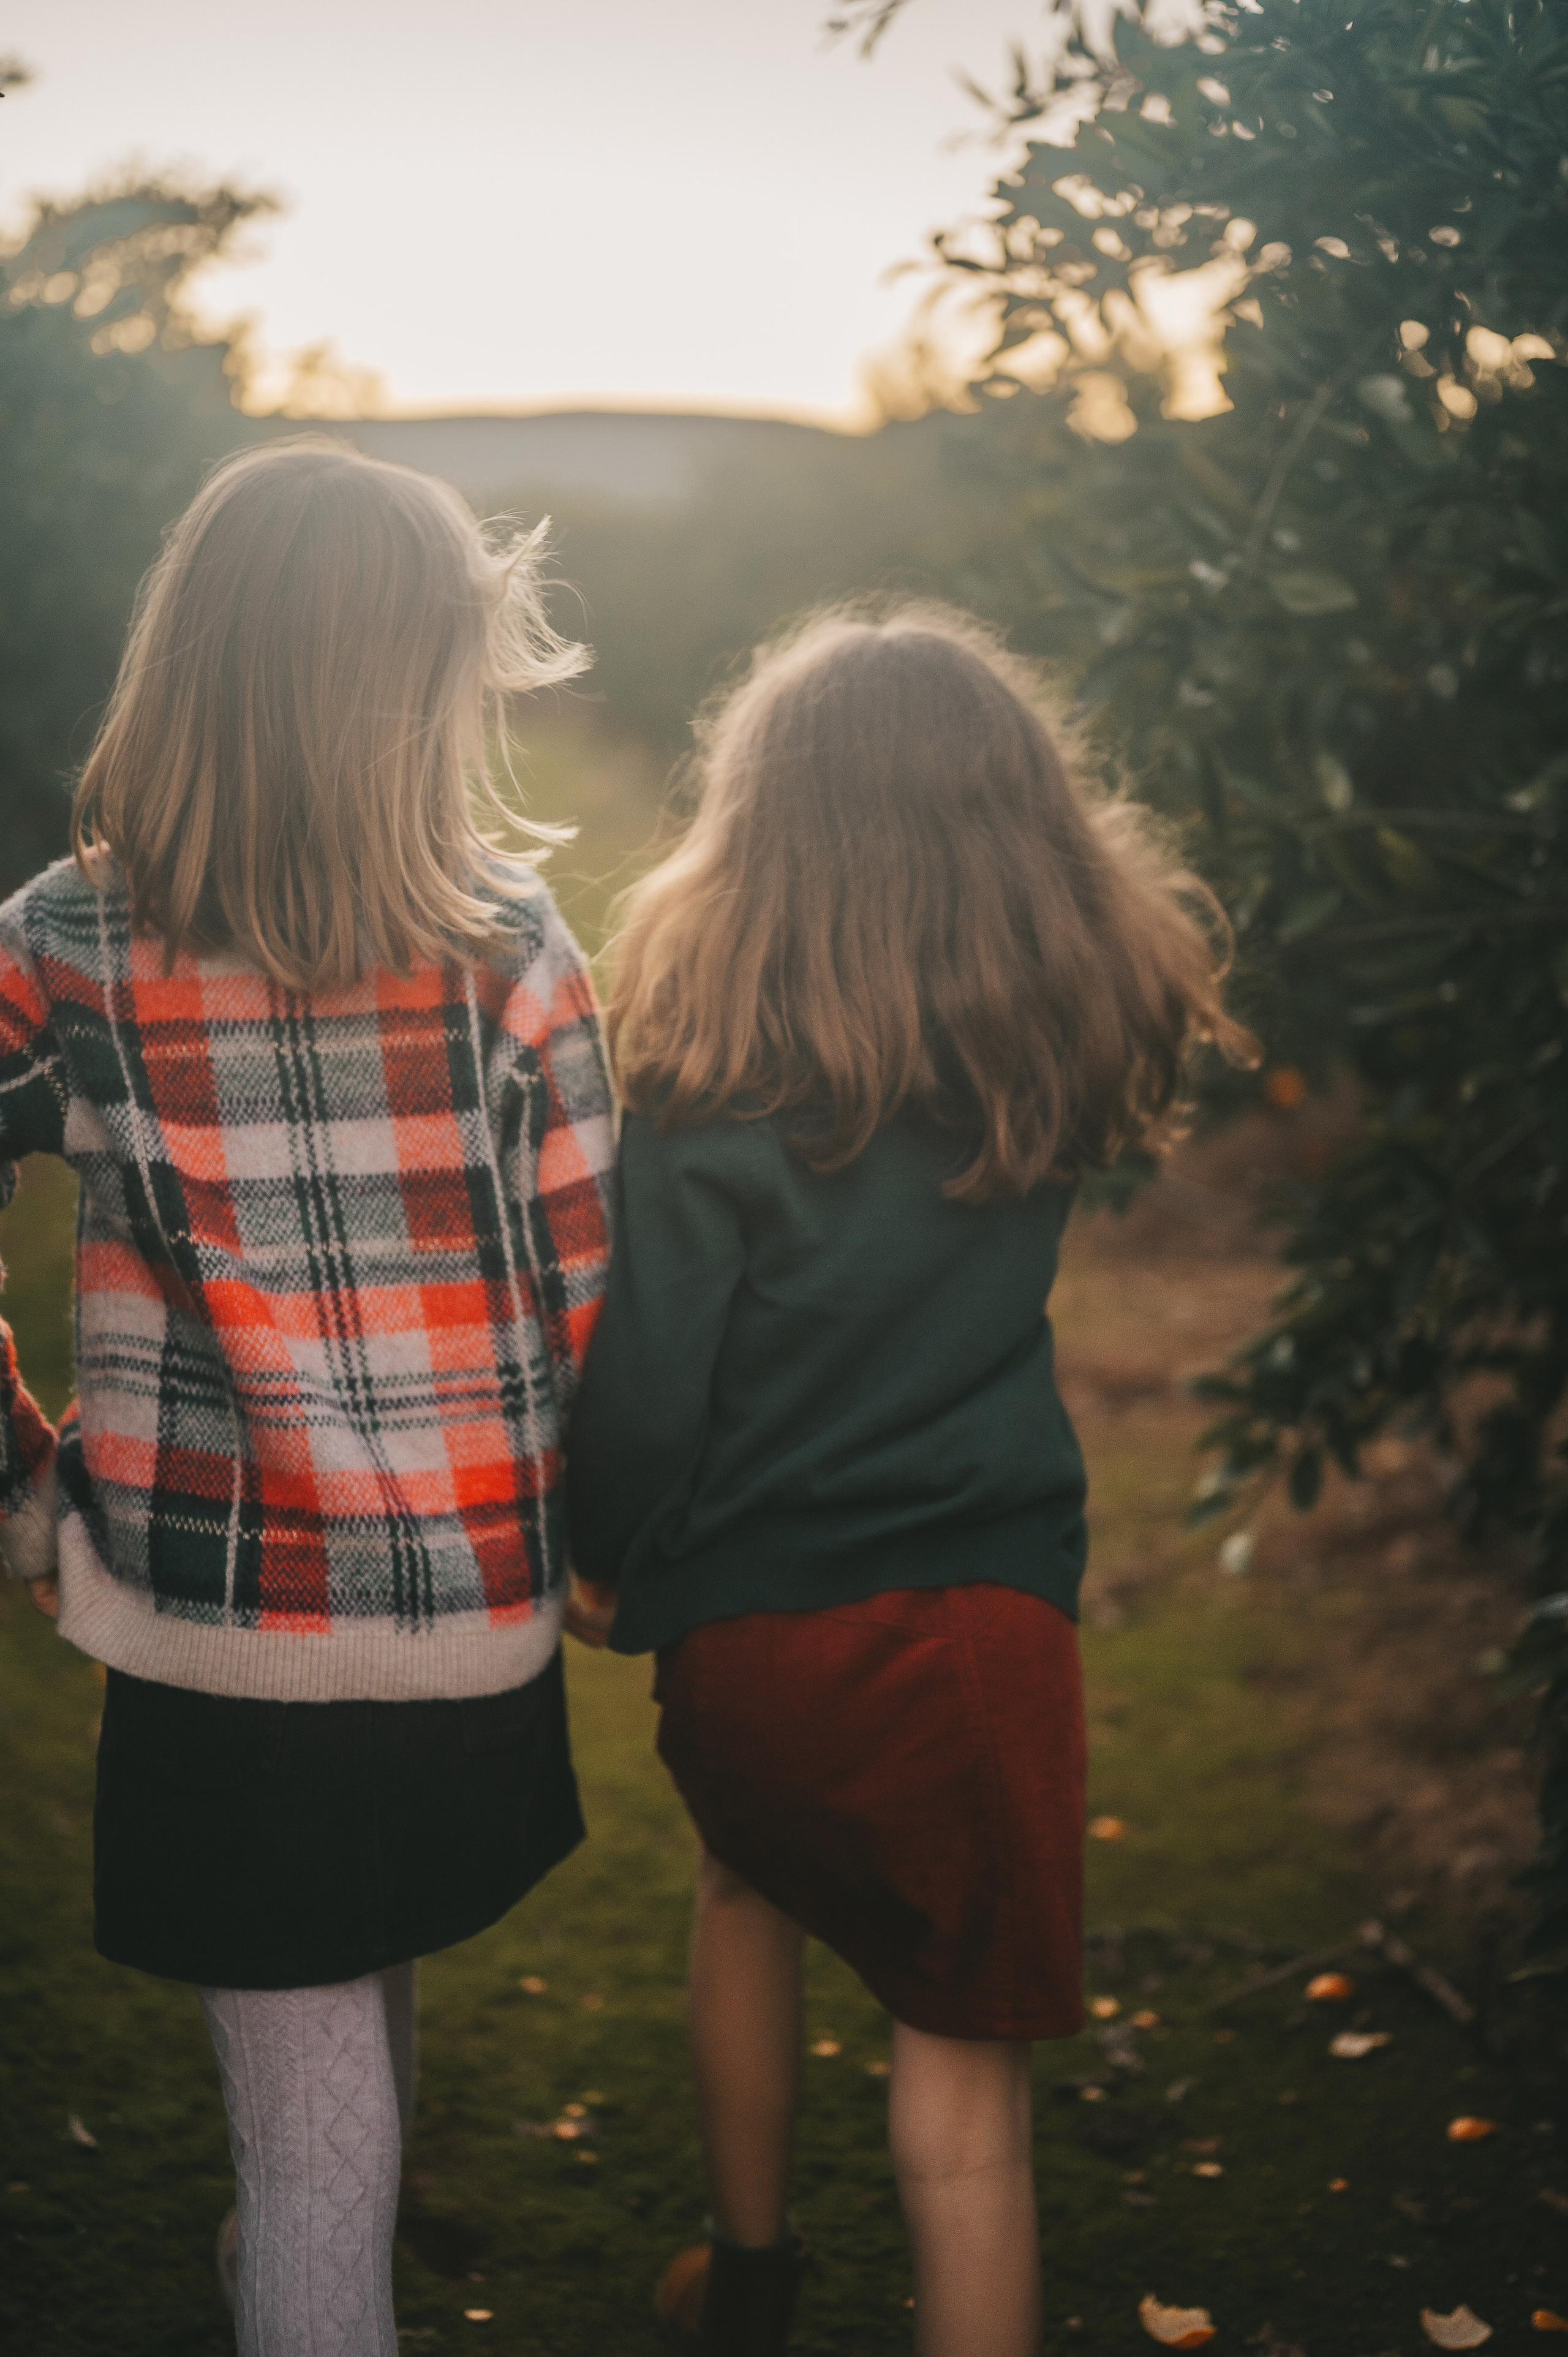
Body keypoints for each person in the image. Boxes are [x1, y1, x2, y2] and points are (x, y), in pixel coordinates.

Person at [564, 602, 1255, 2357]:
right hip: (977, 1636)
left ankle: (751, 2275)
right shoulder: (1031, 1053)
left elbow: (649, 1383)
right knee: (964, 2106)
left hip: (748, 1637)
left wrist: (597, 1556)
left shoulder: (706, 1090)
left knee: (743, 1894)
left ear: (759, 832)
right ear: (1019, 836)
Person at [0, 440, 615, 2356]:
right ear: (424, 688)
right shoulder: (512, 953)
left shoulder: (64, 945)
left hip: (216, 1651)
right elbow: (589, 1294)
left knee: (314, 2151)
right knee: (352, 2072)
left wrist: (25, 1476)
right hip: (463, 1636)